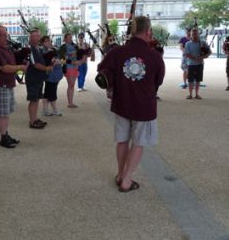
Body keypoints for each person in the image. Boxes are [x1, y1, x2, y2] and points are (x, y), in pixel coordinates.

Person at [97, 16, 165, 193]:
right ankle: (127, 180)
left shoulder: (117, 52)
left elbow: (102, 70)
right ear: (149, 31)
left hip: (122, 103)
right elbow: (159, 81)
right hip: (144, 106)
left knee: (122, 140)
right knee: (139, 142)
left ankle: (120, 174)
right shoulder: (155, 56)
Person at [0, 25, 27, 148]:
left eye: (5, 33)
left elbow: (12, 63)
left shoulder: (6, 48)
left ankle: (6, 134)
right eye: (1, 34)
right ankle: (3, 137)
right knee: (3, 113)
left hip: (9, 84)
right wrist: (20, 67)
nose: (5, 36)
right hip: (2, 85)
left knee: (6, 113)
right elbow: (4, 68)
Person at [26, 29, 52, 129]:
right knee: (33, 100)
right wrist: (46, 68)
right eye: (35, 36)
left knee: (36, 99)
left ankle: (35, 119)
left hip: (39, 77)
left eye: (38, 36)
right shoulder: (30, 49)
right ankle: (32, 121)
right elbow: (35, 64)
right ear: (30, 37)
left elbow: (43, 60)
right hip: (33, 78)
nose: (37, 38)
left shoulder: (38, 48)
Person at [59, 33, 86, 108]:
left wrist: (80, 59)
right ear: (65, 39)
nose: (70, 39)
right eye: (68, 38)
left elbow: (80, 54)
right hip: (68, 67)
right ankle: (69, 103)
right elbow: (62, 59)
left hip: (75, 67)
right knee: (70, 84)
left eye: (71, 38)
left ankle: (71, 102)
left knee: (72, 85)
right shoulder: (63, 47)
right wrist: (72, 57)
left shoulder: (75, 46)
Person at [184, 28, 211, 99]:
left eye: (196, 34)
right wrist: (196, 58)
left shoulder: (203, 42)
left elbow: (209, 52)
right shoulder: (188, 44)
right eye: (193, 34)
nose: (195, 35)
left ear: (198, 34)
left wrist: (204, 56)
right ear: (190, 35)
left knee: (198, 80)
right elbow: (187, 54)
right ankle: (190, 94)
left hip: (200, 64)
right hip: (191, 64)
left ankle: (196, 94)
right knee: (190, 80)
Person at [40, 35, 63, 116]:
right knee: (51, 93)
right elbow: (44, 62)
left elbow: (59, 58)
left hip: (55, 74)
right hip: (49, 75)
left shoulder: (53, 49)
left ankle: (45, 110)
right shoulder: (42, 51)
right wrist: (52, 60)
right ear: (42, 43)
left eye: (49, 40)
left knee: (47, 92)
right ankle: (54, 110)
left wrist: (59, 61)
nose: (48, 42)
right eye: (46, 41)